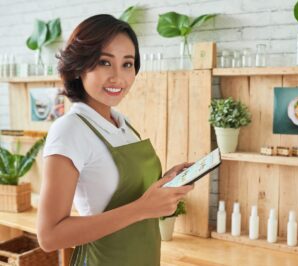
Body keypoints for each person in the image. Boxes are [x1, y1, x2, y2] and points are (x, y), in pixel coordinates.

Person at [37, 14, 193, 266]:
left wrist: (166, 182)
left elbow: (135, 196)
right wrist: (142, 209)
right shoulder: (69, 130)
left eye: (127, 64)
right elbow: (49, 236)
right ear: (79, 66)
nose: (118, 77)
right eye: (104, 62)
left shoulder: (122, 123)